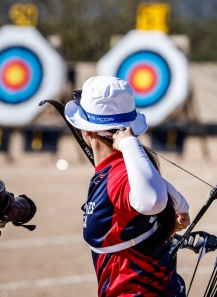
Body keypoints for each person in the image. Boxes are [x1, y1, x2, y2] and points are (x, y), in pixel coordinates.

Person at [64, 76, 190, 297]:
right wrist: (181, 206)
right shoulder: (126, 170)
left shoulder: (119, 175)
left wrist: (129, 143)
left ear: (86, 130)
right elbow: (159, 188)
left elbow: (154, 200)